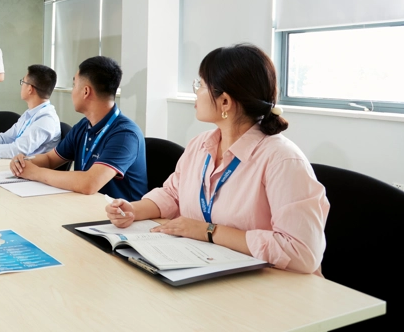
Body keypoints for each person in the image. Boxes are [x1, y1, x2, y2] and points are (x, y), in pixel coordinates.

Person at [105, 44, 329, 275]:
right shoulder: (200, 145)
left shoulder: (282, 160)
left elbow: (302, 253)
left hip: (273, 287)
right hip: (209, 269)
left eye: (201, 84)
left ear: (225, 102)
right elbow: (173, 194)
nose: (196, 91)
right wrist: (133, 210)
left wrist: (209, 231)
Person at [9, 56, 147, 198]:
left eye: (74, 85)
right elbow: (50, 160)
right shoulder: (84, 126)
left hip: (120, 216)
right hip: (85, 206)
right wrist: (24, 163)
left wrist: (35, 173)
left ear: (86, 91)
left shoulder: (125, 134)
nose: (72, 91)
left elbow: (90, 183)